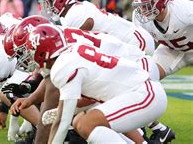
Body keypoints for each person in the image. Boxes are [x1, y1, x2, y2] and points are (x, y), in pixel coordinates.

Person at [25, 24, 167, 144]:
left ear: (43, 53)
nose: (32, 59)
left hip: (143, 93)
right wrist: (65, 112)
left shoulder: (62, 67)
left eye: (32, 53)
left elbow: (63, 120)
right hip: (139, 91)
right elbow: (91, 97)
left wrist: (62, 115)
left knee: (87, 124)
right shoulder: (71, 53)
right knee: (80, 121)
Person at [39, 0, 155, 54]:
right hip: (131, 39)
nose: (48, 6)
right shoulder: (76, 9)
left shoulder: (74, 14)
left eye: (49, 2)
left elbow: (86, 26)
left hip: (134, 41)